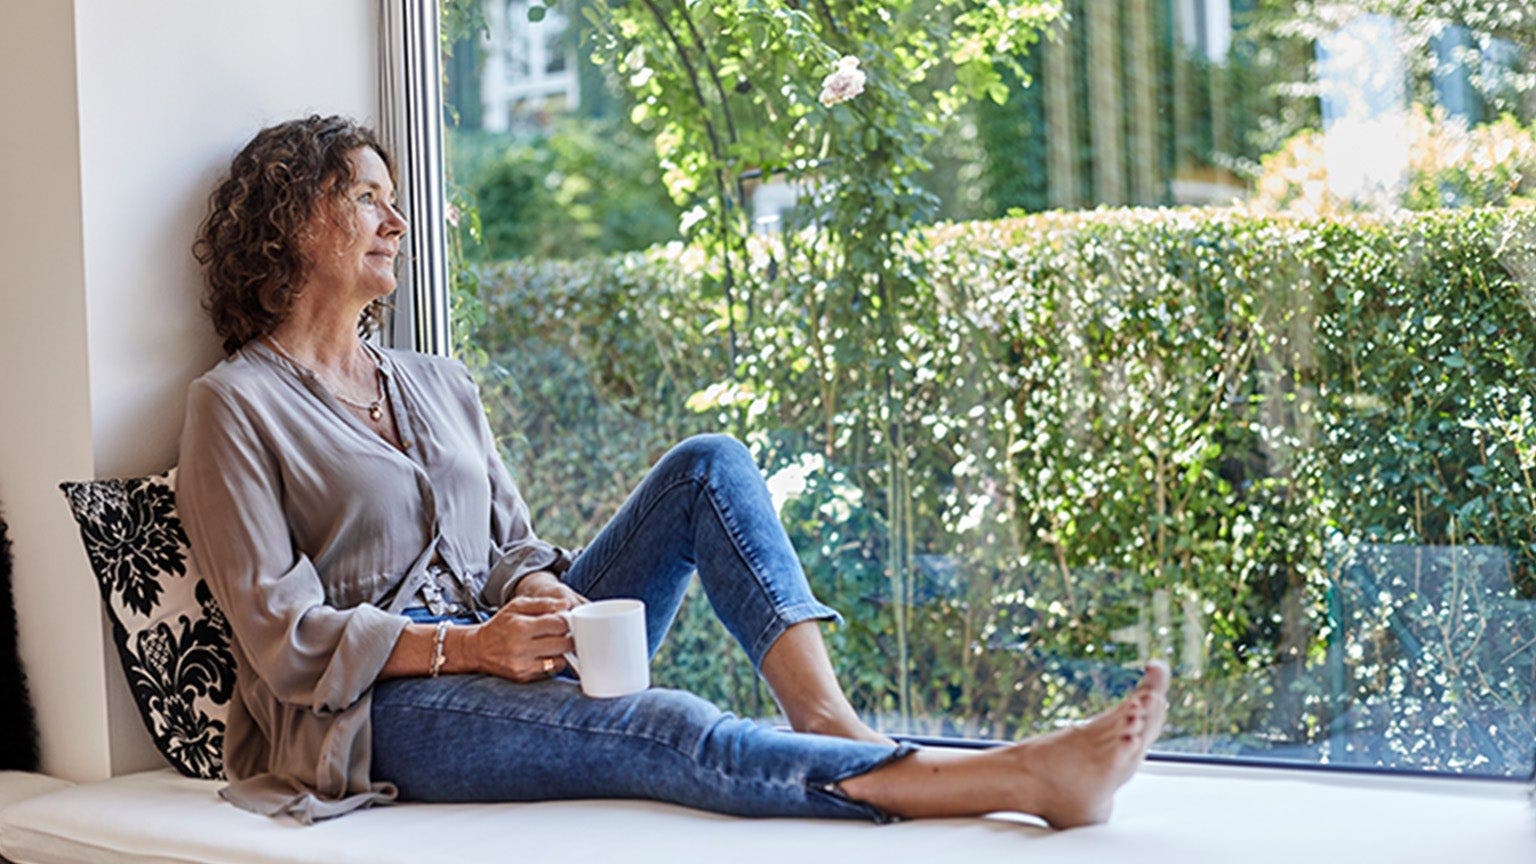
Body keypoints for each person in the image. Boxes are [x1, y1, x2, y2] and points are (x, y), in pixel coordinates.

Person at [178, 114, 1169, 828]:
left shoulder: (438, 382)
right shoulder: (236, 406)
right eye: (366, 200)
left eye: (398, 203)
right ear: (291, 222)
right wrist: (471, 650)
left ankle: (827, 719)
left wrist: (543, 601)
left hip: (501, 648)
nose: (395, 224)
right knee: (675, 725)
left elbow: (513, 549)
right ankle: (1012, 781)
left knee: (708, 466)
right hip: (382, 713)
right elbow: (281, 636)